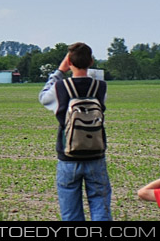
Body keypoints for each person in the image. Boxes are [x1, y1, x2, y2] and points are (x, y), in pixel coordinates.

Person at [39, 42, 111, 221]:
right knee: (100, 207)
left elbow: (43, 98)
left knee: (71, 213)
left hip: (68, 156)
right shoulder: (100, 87)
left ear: (69, 61)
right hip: (96, 154)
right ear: (92, 61)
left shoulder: (60, 87)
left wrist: (59, 72)